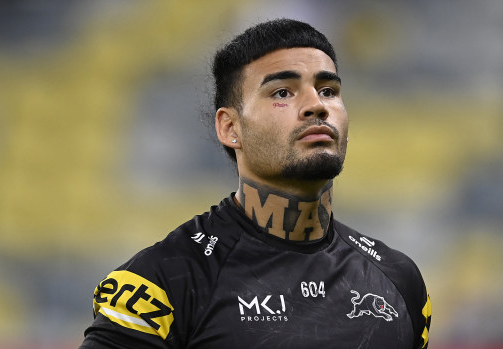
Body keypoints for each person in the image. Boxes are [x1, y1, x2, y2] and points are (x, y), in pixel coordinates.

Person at [80, 18, 431, 349]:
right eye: (282, 92)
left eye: (327, 90)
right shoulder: (164, 282)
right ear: (231, 129)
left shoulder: (400, 281)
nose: (316, 106)